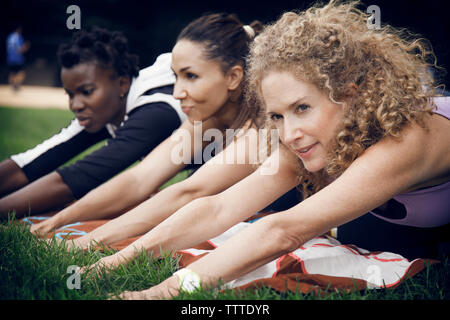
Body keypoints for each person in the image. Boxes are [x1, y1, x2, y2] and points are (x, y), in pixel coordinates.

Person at [87, 0, 446, 299]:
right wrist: (106, 262)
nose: (289, 133)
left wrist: (161, 293)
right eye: (276, 115)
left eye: (302, 107)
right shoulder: (305, 137)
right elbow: (219, 206)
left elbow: (284, 230)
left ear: (350, 94)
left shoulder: (408, 137)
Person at [29, 13, 299, 240]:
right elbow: (139, 179)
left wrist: (90, 241)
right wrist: (60, 220)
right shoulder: (208, 121)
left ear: (233, 77)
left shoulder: (263, 128)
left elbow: (189, 192)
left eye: (190, 76)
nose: (178, 92)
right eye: (176, 77)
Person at [0, 26, 186, 218]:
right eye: (70, 94)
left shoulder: (155, 110)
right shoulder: (108, 105)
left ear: (122, 83)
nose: (75, 105)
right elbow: (30, 163)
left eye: (86, 92)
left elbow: (75, 180)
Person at [6, 26, 30, 91]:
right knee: (22, 72)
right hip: (18, 58)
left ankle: (12, 86)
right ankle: (16, 85)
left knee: (12, 72)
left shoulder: (10, 37)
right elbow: (19, 49)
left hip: (10, 58)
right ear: (19, 29)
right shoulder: (18, 37)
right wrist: (26, 47)